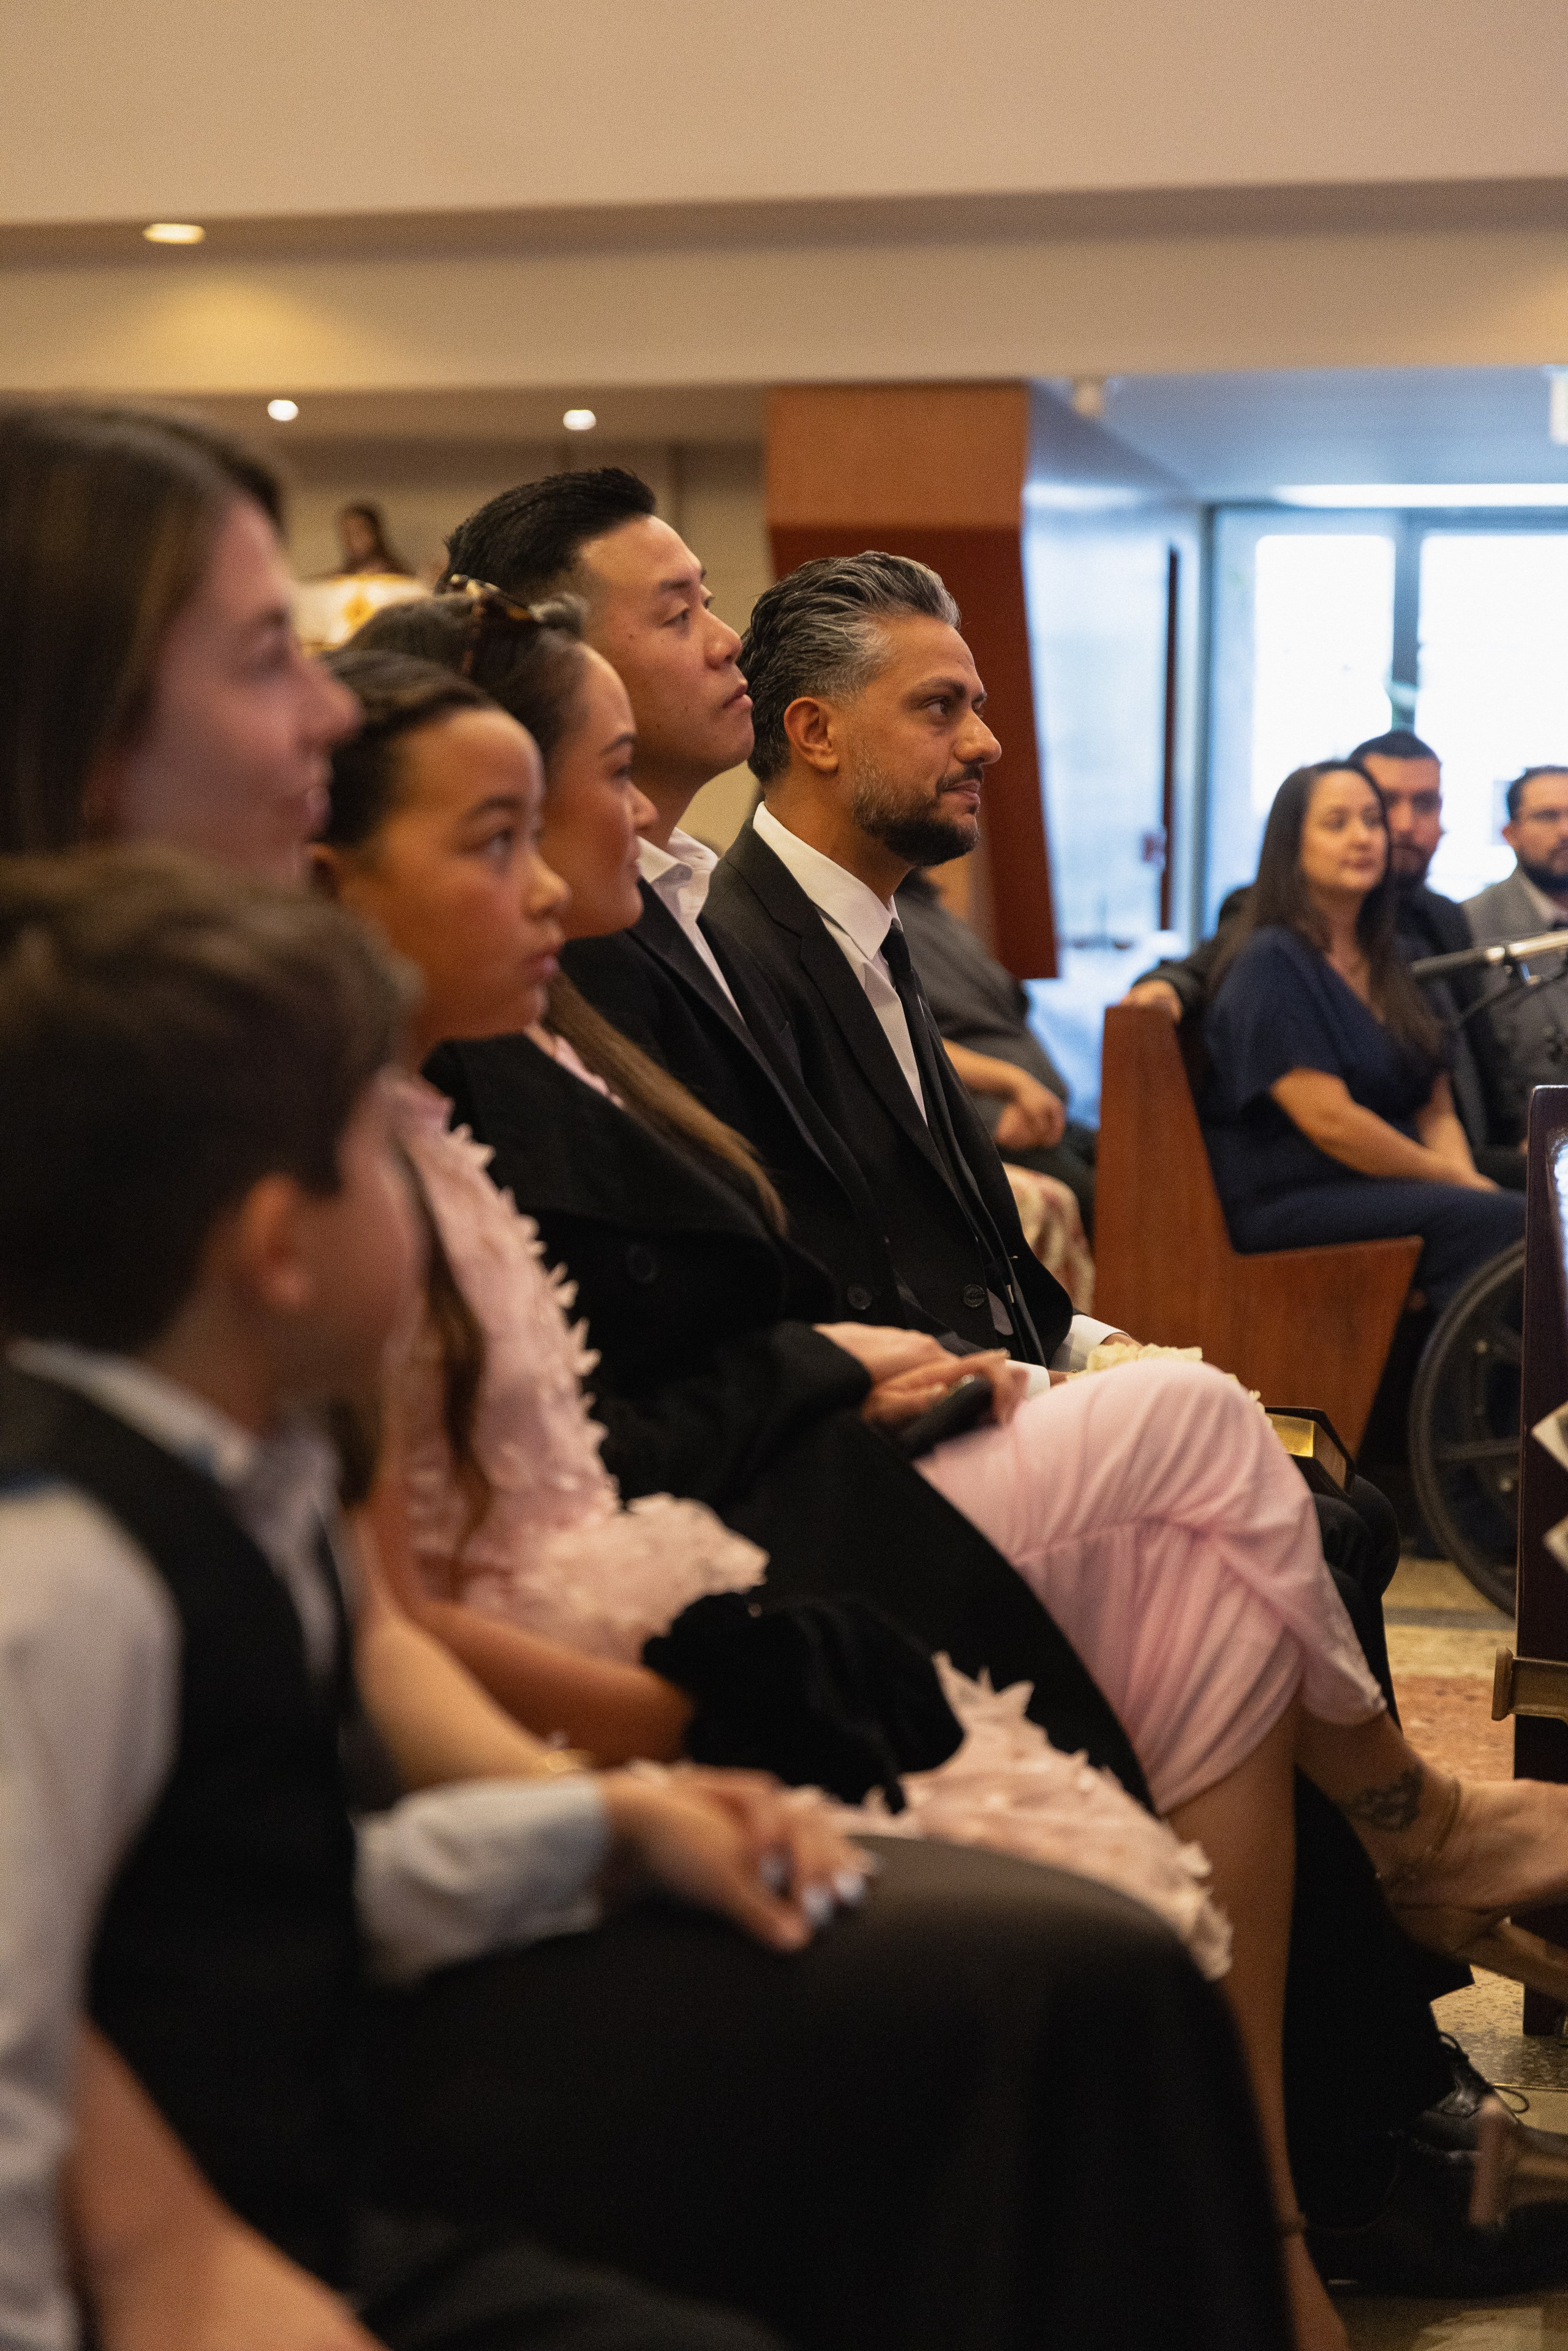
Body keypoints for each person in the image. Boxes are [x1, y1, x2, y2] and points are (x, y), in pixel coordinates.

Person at [0, 403, 1285, 2351]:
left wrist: (596, 1814)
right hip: (277, 1994)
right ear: (95, 721)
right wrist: (639, 1752)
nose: (320, 710)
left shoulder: (286, 1046)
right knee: (1046, 1973)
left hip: (361, 1863)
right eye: (265, 656)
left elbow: (348, 1632)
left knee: (1088, 1928)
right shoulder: (163, 1140)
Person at [319, 631, 1568, 2348]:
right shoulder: (389, 1137)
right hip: (679, 1556)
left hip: (731, 1500)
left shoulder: (542, 1045)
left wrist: (948, 1350)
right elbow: (446, 1554)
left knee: (1227, 1510)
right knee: (1197, 1482)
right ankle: (1388, 1891)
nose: (547, 874)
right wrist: (669, 1724)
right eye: (500, 833)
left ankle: (1281, 2185)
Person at [0, 850, 843, 2351]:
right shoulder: (69, 1574)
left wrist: (603, 1828)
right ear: (279, 1245)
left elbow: (271, 1900)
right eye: (374, 1151)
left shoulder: (250, 1490)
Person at [435, 469, 1025, 1344]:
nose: (726, 643)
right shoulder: (579, 941)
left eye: (708, 606)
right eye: (678, 616)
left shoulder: (698, 904)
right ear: (561, 666)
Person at [1126, 730, 1523, 1187]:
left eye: (1424, 804)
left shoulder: (1438, 921)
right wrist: (1168, 986)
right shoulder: (1271, 934)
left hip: (1443, 1150)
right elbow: (1220, 961)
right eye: (1385, 805)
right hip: (1322, 1172)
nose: (1400, 826)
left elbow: (1467, 1064)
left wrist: (1506, 1143)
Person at [1199, 761, 1525, 1310]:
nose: (1363, 837)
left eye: (1372, 821)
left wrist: (1463, 1178)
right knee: (1509, 1220)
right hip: (1295, 1195)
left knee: (1540, 1200)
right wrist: (1451, 1181)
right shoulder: (1269, 960)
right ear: (1291, 844)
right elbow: (1332, 1123)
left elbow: (1436, 1110)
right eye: (1337, 823)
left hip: (1389, 1184)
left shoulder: (1396, 958)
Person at [894, 867, 1098, 1228]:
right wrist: (994, 1107)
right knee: (1112, 1207)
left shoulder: (926, 905)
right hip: (985, 1119)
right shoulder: (872, 915)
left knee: (1145, 1171)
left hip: (1045, 1115)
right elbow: (898, 1035)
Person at [1464, 764, 1568, 1141]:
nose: (1565, 831)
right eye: (1548, 816)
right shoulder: (1470, 927)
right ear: (1511, 833)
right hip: (1521, 1141)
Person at [336, 500, 414, 576]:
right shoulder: (341, 577)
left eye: (359, 531)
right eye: (346, 533)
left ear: (375, 532)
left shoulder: (398, 574)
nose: (352, 539)